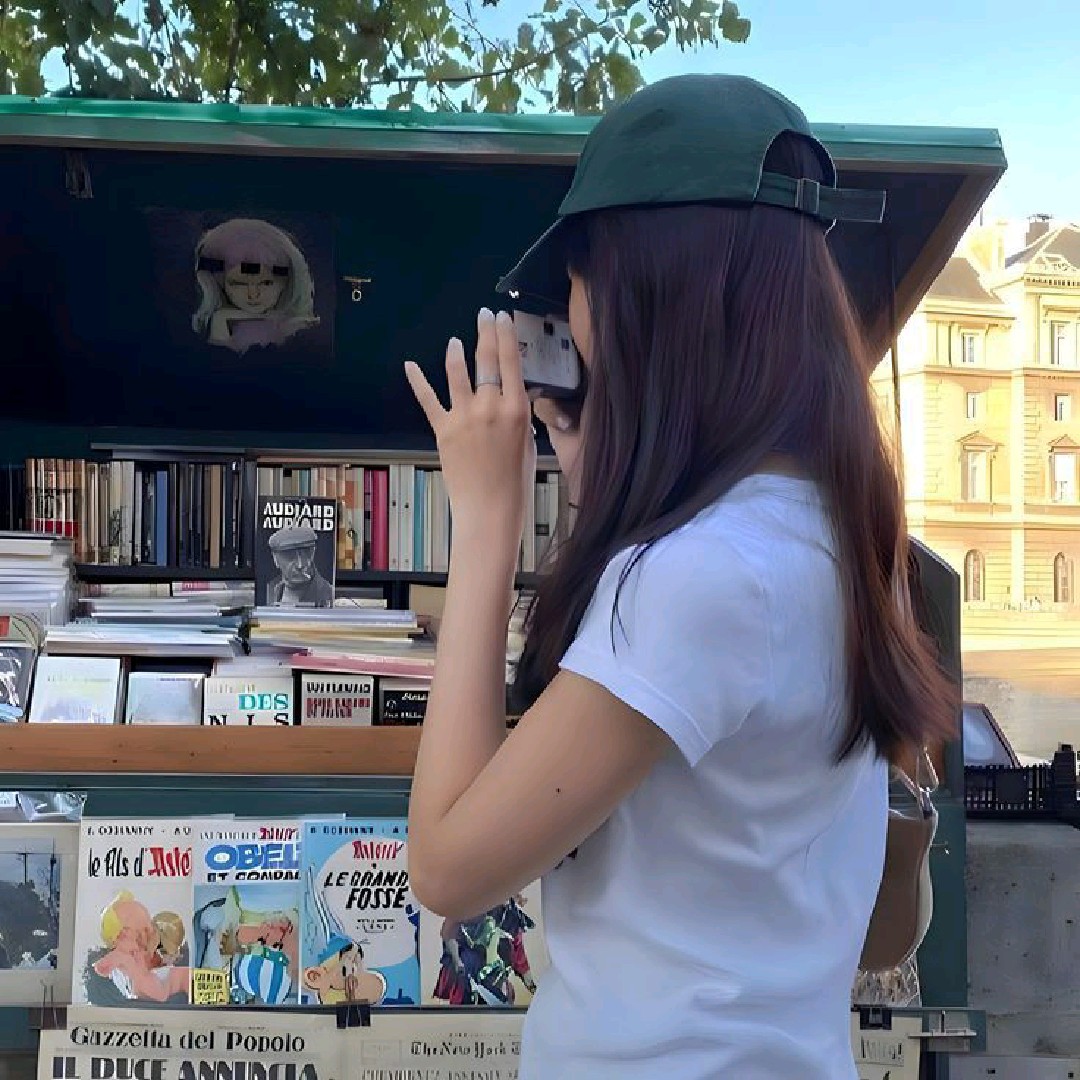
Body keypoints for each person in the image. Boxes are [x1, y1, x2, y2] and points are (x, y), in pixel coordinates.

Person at [403, 73, 957, 1079]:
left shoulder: (702, 578)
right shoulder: (831, 540)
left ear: (644, 295)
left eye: (581, 280)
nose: (572, 318)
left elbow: (448, 869)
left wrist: (484, 525)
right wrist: (596, 487)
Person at [264, 525, 334, 607]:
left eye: (306, 555)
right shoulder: (272, 589)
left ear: (313, 553)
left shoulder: (329, 595)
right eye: (290, 556)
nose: (300, 565)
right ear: (275, 558)